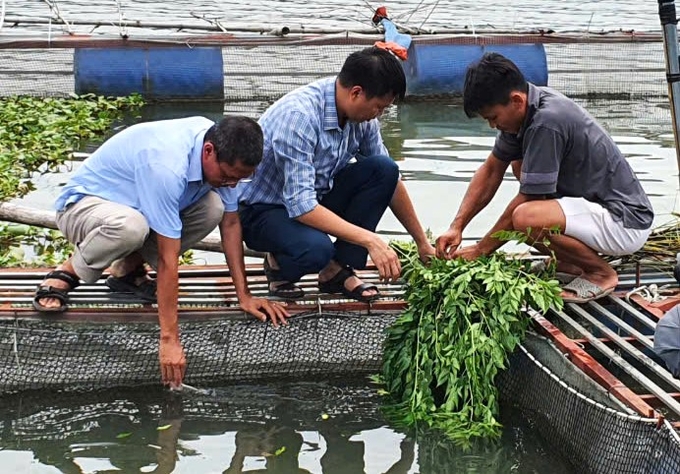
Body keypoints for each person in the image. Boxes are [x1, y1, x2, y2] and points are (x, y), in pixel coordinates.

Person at [32, 115, 289, 387]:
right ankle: (66, 271)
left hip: (135, 207)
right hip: (85, 208)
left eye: (239, 179)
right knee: (132, 227)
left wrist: (244, 296)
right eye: (227, 176)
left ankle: (126, 271)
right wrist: (169, 340)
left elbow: (230, 223)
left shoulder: (220, 150)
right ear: (209, 151)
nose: (232, 184)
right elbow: (168, 260)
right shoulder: (166, 165)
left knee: (212, 208)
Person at [435, 53, 654, 303]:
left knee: (525, 217)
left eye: (493, 118)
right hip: (593, 210)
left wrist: (481, 250)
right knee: (519, 165)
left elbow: (529, 199)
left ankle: (600, 273)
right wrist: (457, 226)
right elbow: (492, 169)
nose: (492, 126)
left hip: (624, 222)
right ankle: (570, 264)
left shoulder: (546, 121)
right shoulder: (523, 112)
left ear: (516, 100)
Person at [239, 46, 435, 302]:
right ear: (356, 93)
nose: (380, 114)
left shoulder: (363, 119)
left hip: (314, 197)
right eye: (379, 107)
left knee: (383, 170)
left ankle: (336, 271)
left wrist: (421, 242)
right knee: (316, 250)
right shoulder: (299, 117)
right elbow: (301, 206)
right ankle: (279, 267)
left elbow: (391, 180)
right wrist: (371, 241)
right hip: (263, 210)